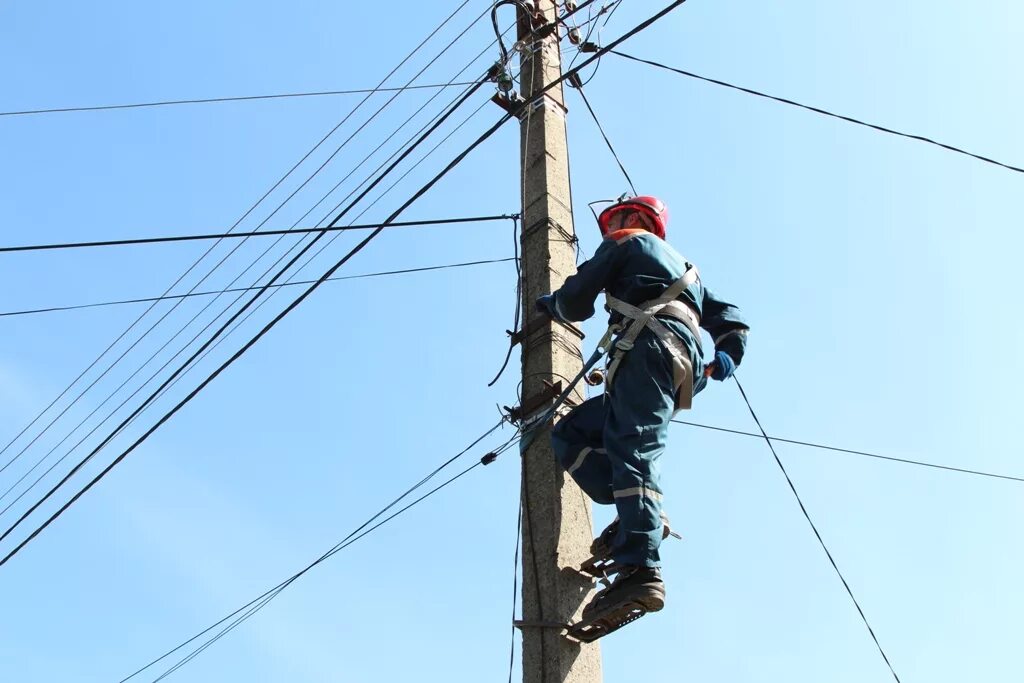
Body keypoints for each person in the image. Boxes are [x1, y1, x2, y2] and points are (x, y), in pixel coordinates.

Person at [534, 195, 749, 640]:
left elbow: (576, 301)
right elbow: (733, 323)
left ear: (635, 217)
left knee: (633, 450)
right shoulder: (691, 271)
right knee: (572, 435)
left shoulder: (627, 240)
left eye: (617, 219)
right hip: (675, 366)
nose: (612, 227)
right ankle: (640, 518)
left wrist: (551, 305)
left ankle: (641, 567)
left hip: (649, 350)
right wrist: (725, 358)